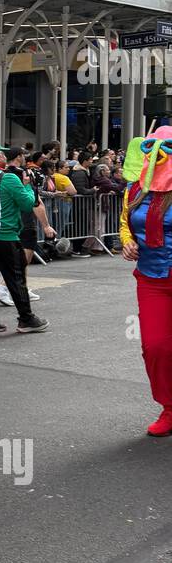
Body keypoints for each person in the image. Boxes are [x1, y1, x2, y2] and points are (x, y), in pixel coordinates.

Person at [119, 128, 172, 434]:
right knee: (155, 347)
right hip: (152, 278)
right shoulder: (136, 188)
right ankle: (169, 406)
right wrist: (126, 241)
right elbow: (126, 222)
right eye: (151, 150)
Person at [0, 142, 48, 335]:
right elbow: (27, 204)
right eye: (2, 154)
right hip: (5, 235)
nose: (5, 157)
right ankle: (26, 319)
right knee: (17, 278)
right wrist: (28, 187)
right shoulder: (8, 178)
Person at [0, 148, 55, 306]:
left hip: (9, 219)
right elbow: (35, 201)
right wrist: (46, 225)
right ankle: (3, 287)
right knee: (24, 257)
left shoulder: (1, 173)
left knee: (19, 257)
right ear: (19, 157)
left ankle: (21, 288)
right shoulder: (22, 174)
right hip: (23, 219)